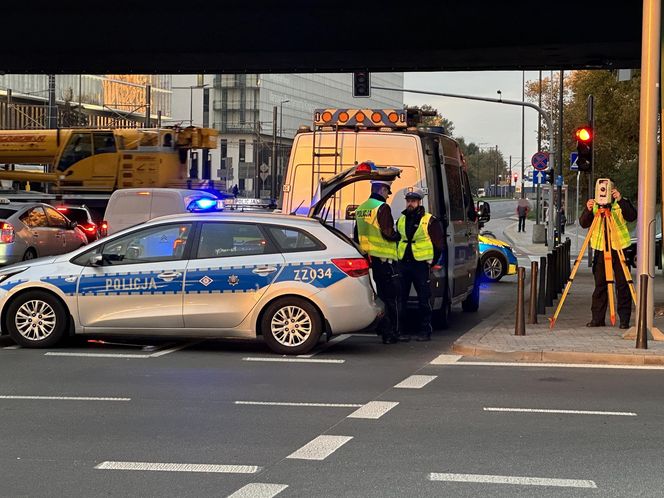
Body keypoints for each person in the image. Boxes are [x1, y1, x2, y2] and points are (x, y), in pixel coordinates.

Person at [579, 185, 636, 329]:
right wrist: (588, 209)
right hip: (600, 248)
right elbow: (583, 223)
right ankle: (597, 319)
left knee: (623, 285)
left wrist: (621, 199)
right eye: (601, 190)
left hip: (619, 248)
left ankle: (624, 320)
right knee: (600, 285)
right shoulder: (595, 205)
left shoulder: (620, 204)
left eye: (607, 189)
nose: (604, 193)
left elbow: (631, 216)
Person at [354, 178, 403, 344]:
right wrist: (399, 236)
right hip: (385, 260)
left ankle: (382, 329)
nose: (388, 196)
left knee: (379, 297)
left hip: (369, 260)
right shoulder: (382, 207)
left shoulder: (361, 209)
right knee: (392, 298)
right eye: (387, 192)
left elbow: (356, 235)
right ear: (382, 190)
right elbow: (388, 233)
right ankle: (392, 333)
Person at [396, 188, 445, 342]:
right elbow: (397, 238)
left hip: (420, 265)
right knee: (401, 298)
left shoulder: (429, 220)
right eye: (408, 201)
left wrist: (433, 262)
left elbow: (439, 244)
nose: (410, 204)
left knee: (424, 299)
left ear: (419, 202)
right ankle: (400, 331)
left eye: (413, 201)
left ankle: (425, 330)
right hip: (404, 262)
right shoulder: (401, 219)